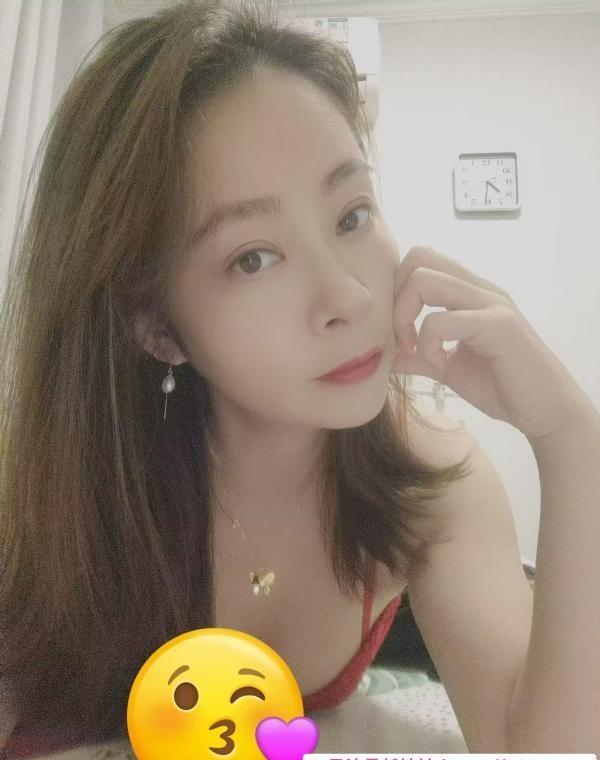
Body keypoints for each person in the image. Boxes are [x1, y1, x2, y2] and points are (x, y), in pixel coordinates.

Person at [1, 0, 598, 756]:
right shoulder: (53, 496)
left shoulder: (427, 479)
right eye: (254, 257)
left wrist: (571, 440)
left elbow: (536, 745)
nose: (349, 297)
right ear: (155, 324)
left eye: (351, 216)